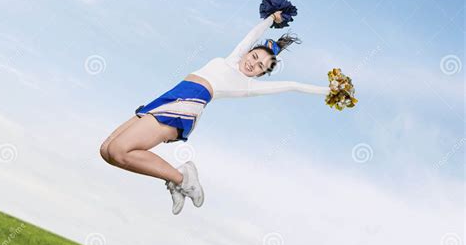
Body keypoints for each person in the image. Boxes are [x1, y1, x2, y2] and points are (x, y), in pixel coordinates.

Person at [100, 11, 331, 215]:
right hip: (167, 96)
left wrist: (328, 90)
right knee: (107, 151)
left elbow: (292, 85)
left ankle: (182, 178)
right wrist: (272, 18)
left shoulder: (247, 86)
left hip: (186, 105)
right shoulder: (231, 59)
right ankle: (176, 179)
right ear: (247, 53)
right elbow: (253, 34)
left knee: (120, 150)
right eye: (254, 57)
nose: (253, 64)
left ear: (260, 75)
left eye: (260, 67)